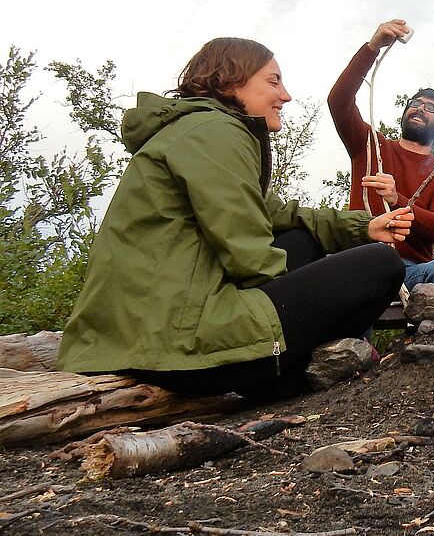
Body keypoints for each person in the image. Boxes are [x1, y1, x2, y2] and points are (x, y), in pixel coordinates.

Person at [57, 38, 413, 399]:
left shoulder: (197, 130)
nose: (286, 95)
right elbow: (248, 252)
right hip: (169, 348)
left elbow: (275, 212)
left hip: (145, 331)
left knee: (300, 238)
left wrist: (362, 227)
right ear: (230, 82)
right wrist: (302, 310)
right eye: (273, 82)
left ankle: (278, 367)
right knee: (379, 265)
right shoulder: (216, 132)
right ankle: (277, 375)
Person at [328, 19, 434, 288]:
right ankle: (353, 333)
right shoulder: (369, 146)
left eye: (431, 107)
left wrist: (397, 199)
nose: (419, 108)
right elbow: (339, 101)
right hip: (362, 259)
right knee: (349, 275)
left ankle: (424, 331)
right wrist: (372, 48)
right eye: (415, 103)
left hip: (411, 271)